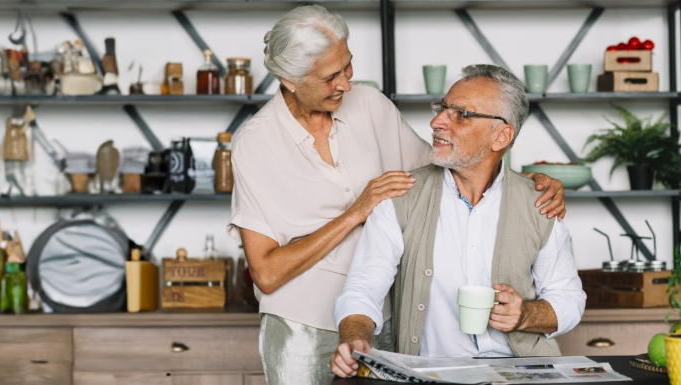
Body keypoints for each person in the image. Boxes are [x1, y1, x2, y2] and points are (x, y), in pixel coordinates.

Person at [227, 7, 567, 384]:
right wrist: (355, 212)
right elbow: (267, 274)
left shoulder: (370, 105)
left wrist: (523, 181)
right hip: (302, 324)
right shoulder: (254, 144)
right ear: (288, 79)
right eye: (329, 77)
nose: (346, 84)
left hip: (384, 317)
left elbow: (452, 163)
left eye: (348, 66)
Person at [329, 64, 586, 378]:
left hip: (522, 372)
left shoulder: (540, 202)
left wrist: (524, 315)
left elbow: (569, 298)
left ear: (501, 136)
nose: (436, 122)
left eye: (461, 114)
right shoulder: (400, 196)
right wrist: (354, 338)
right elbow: (364, 287)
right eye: (442, 108)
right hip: (431, 374)